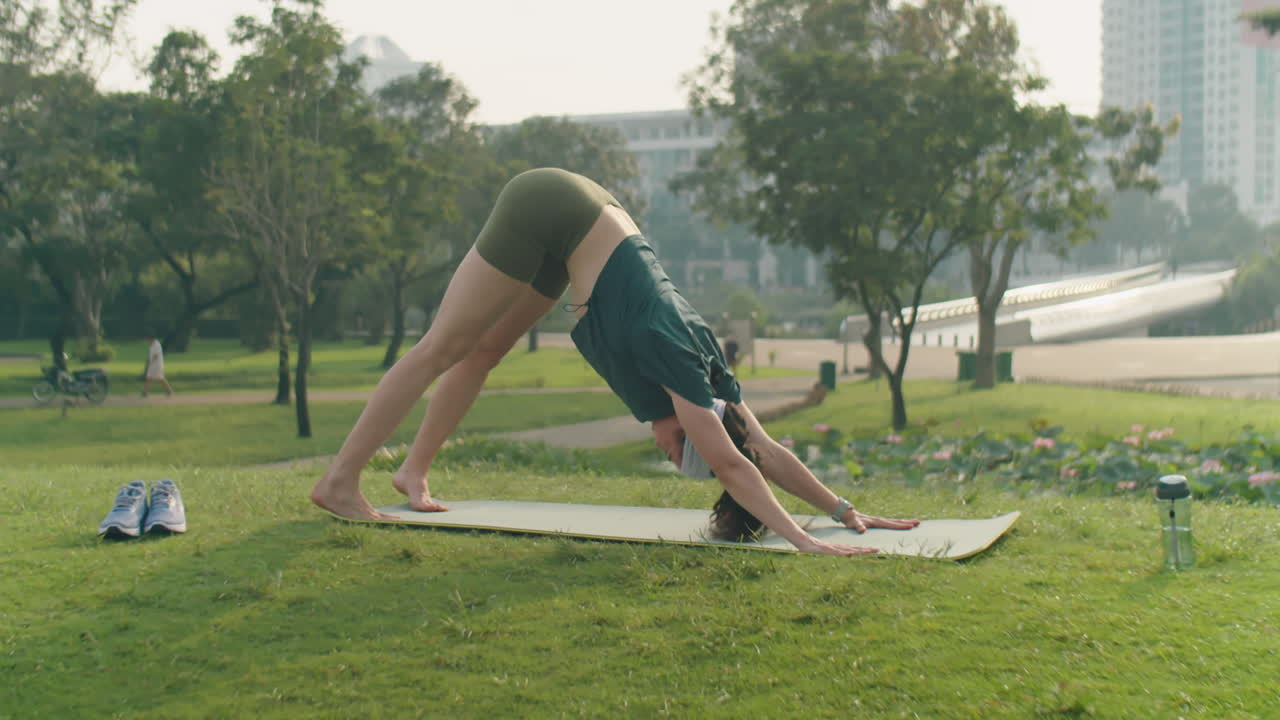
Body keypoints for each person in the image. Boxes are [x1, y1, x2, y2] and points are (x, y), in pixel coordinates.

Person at [310, 168, 917, 555]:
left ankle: (412, 473)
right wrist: (807, 542)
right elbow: (731, 464)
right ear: (690, 430)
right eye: (681, 450)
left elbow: (763, 451)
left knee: (487, 350)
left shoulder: (710, 383)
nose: (669, 452)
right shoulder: (681, 371)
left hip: (588, 224)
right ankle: (339, 480)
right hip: (551, 205)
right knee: (442, 346)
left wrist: (844, 510)